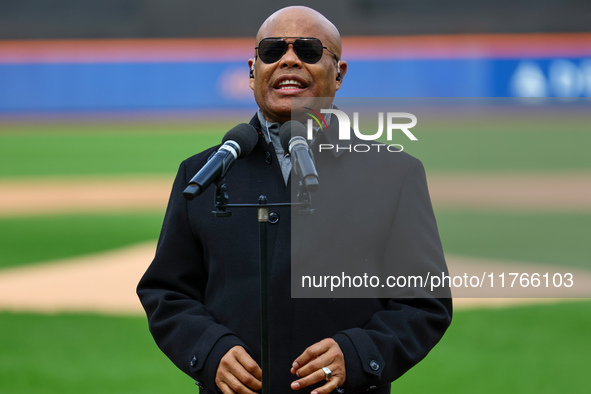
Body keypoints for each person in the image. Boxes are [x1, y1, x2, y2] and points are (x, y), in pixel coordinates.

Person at [137, 6, 452, 394]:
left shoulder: (395, 174)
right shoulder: (201, 173)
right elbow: (166, 292)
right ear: (253, 71)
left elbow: (425, 303)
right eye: (272, 51)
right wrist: (209, 350)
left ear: (339, 74)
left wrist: (356, 354)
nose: (289, 59)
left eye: (308, 50)